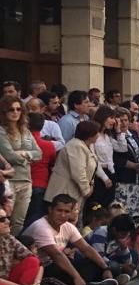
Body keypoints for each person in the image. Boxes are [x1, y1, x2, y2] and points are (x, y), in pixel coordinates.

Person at [24, 194, 119, 285]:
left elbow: (86, 249)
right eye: (59, 211)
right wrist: (77, 277)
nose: (63, 215)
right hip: (42, 270)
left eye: (67, 212)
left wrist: (106, 268)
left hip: (60, 266)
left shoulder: (68, 226)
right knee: (60, 271)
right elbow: (56, 255)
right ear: (50, 210)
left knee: (104, 265)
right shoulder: (41, 227)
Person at [0, 96, 41, 235]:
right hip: (9, 181)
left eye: (18, 109)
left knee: (19, 221)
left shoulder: (26, 131)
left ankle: (13, 249)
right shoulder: (1, 131)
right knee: (5, 218)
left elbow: (39, 154)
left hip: (26, 180)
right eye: (11, 109)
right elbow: (9, 155)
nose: (15, 112)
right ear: (4, 112)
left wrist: (26, 154)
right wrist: (27, 157)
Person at [44, 120, 100, 208]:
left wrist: (91, 185)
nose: (98, 135)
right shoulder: (75, 146)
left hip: (75, 194)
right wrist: (86, 190)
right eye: (97, 133)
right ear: (89, 135)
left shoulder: (88, 146)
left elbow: (92, 168)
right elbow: (78, 171)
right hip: (64, 193)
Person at [90, 106, 127, 210]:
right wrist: (104, 178)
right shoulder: (95, 135)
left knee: (108, 205)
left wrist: (119, 131)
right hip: (99, 174)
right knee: (98, 206)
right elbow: (93, 159)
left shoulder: (107, 136)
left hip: (111, 172)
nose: (113, 121)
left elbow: (122, 148)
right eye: (111, 118)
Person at [113, 108, 139, 219]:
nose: (124, 123)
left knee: (136, 211)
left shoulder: (132, 134)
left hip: (137, 178)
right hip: (123, 178)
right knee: (123, 212)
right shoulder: (113, 136)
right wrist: (133, 166)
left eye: (126, 120)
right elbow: (117, 157)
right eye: (120, 120)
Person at [26, 113, 56, 226]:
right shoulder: (48, 145)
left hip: (22, 182)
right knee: (35, 217)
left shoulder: (20, 144)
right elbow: (53, 162)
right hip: (40, 183)